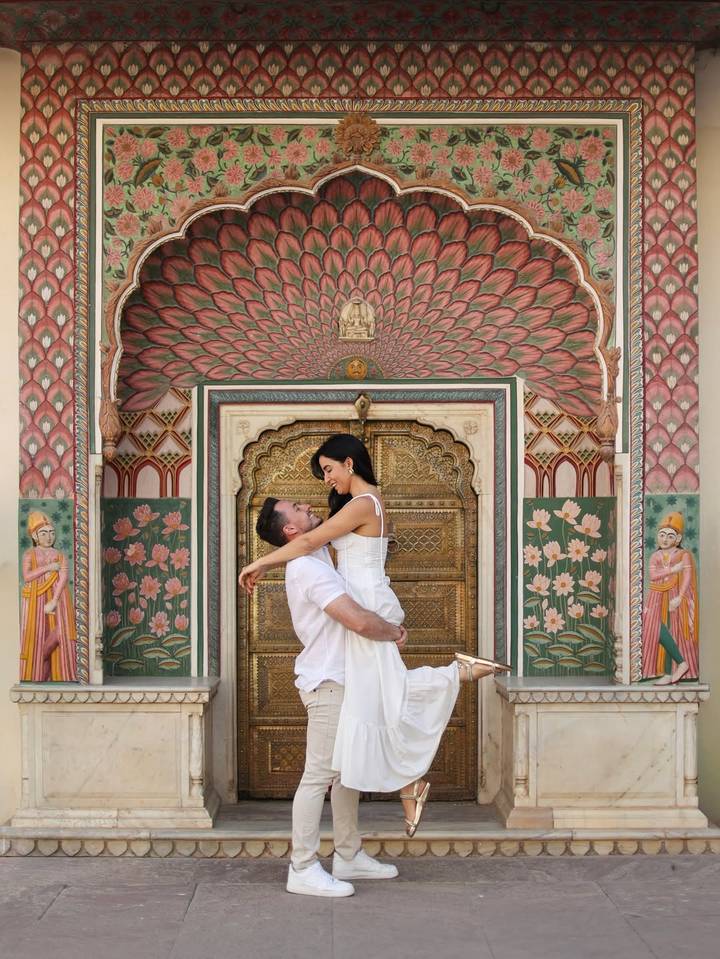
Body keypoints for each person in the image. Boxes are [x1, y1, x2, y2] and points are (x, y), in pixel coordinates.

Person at [240, 433, 507, 839]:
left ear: (350, 463)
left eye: (329, 469)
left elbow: (311, 539)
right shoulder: (357, 505)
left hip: (366, 605)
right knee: (384, 698)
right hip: (365, 601)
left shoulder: (365, 503)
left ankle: (423, 753)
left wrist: (260, 562)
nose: (326, 479)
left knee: (387, 697)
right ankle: (416, 769)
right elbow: (312, 543)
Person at [256, 498, 408, 898]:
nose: (307, 505)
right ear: (290, 529)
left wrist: (261, 562)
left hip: (346, 679)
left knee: (345, 772)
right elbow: (355, 619)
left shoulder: (317, 550)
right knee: (319, 776)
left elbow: (360, 521)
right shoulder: (307, 567)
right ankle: (302, 866)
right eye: (296, 508)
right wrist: (393, 632)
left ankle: (348, 854)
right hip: (328, 683)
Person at [641, 511, 698, 684]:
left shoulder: (683, 554)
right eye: (662, 535)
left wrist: (680, 598)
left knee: (675, 630)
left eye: (670, 536)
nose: (665, 539)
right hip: (656, 595)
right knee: (653, 628)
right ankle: (677, 664)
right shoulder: (656, 555)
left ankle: (675, 669)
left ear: (678, 538)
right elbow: (653, 576)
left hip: (675, 596)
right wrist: (673, 570)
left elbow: (687, 577)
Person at [20, 511, 77, 682]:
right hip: (34, 601)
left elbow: (63, 578)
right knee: (37, 636)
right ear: (36, 536)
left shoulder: (60, 555)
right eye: (44, 533)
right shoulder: (30, 554)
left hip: (58, 600)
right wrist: (48, 567)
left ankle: (57, 673)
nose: (49, 537)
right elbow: (27, 576)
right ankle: (37, 673)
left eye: (52, 532)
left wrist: (53, 601)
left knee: (61, 634)